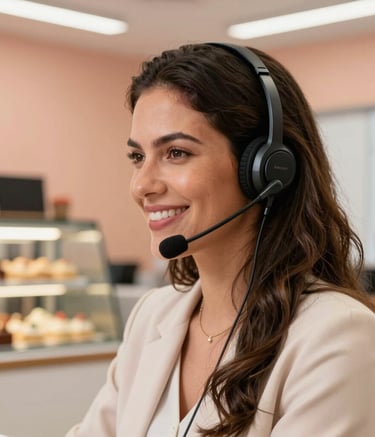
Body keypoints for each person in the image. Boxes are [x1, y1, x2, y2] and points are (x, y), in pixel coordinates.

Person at [66, 43, 375, 436]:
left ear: (266, 169)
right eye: (137, 157)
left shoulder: (337, 334)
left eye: (176, 153)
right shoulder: (154, 315)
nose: (142, 185)